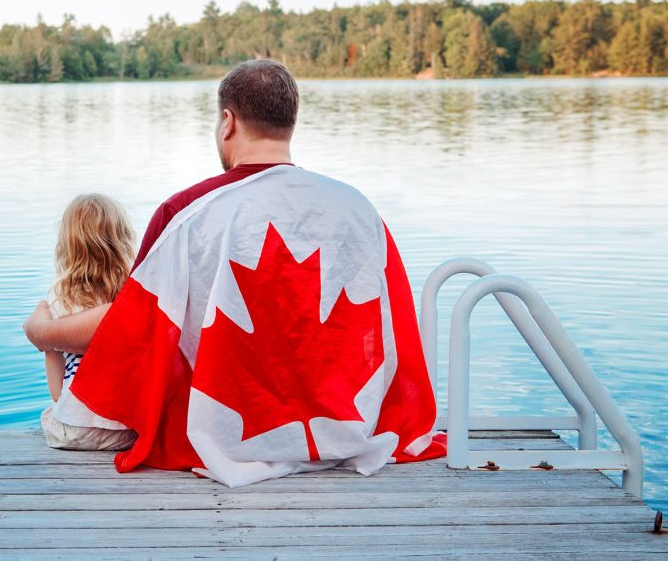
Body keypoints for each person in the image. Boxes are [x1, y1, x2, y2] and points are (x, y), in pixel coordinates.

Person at [25, 59, 444, 487]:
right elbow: (393, 330)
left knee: (63, 424)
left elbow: (133, 327)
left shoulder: (185, 213)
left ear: (228, 122)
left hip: (232, 432)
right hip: (342, 428)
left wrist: (43, 332)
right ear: (289, 123)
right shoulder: (358, 210)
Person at [35, 193, 137, 451]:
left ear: (67, 244)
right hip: (129, 430)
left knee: (51, 411)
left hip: (73, 431)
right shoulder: (133, 295)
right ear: (123, 240)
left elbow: (56, 381)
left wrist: (63, 408)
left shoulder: (60, 301)